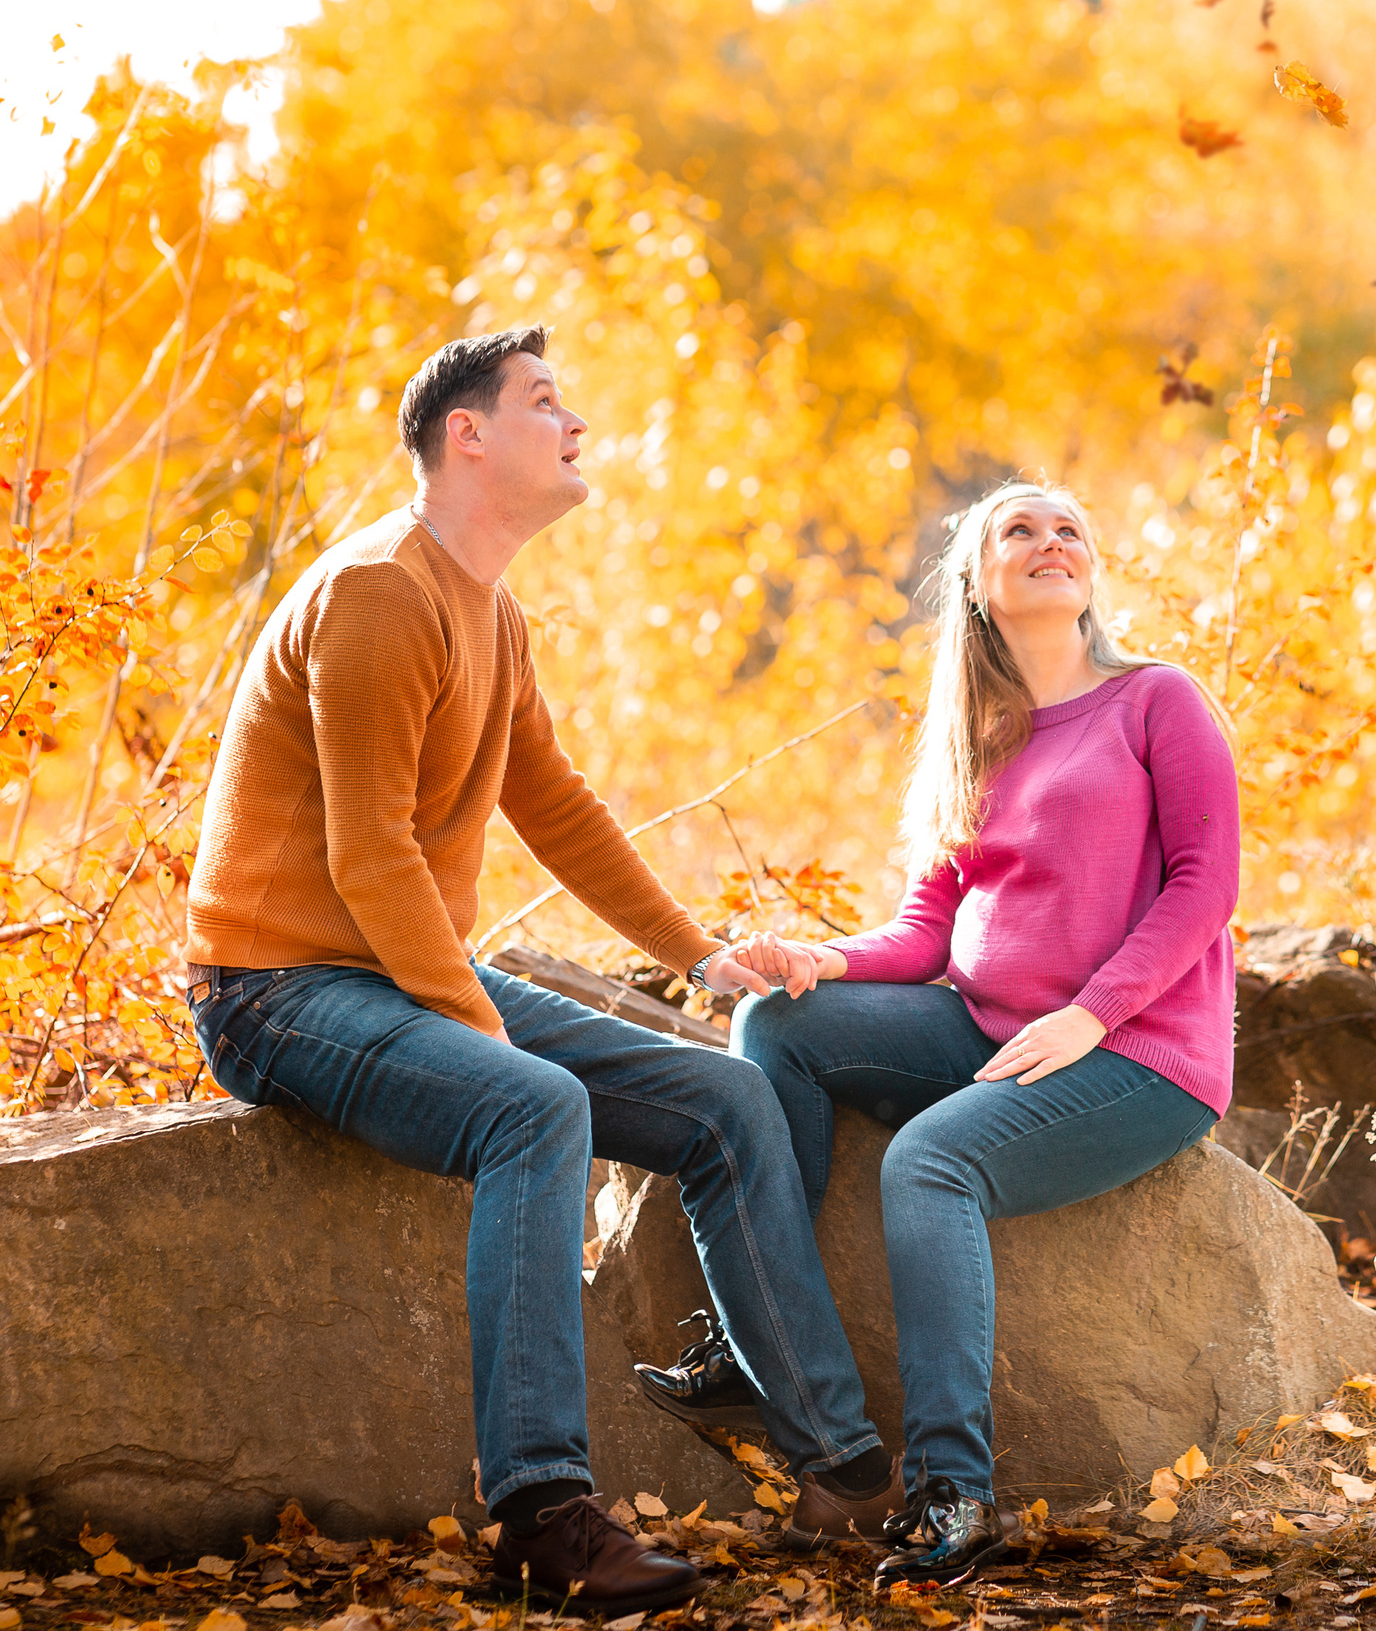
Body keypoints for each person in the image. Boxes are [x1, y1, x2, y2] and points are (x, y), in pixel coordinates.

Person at [182, 327, 902, 1611]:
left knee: (724, 1102)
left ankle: (842, 1465)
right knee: (534, 1104)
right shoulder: (376, 594)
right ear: (467, 434)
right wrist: (477, 1027)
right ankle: (542, 1516)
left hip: (396, 977)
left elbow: (554, 805)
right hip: (278, 991)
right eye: (546, 402)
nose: (578, 425)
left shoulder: (489, 611)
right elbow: (369, 856)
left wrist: (699, 955)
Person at [720, 484, 1239, 1588]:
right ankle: (766, 1340)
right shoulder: (976, 737)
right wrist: (828, 960)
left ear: (1091, 574)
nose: (1052, 542)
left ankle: (952, 1494)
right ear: (976, 579)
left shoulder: (1156, 701)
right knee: (773, 1023)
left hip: (1137, 1055)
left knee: (931, 1160)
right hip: (985, 1028)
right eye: (1021, 529)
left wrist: (1090, 1012)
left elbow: (1206, 886)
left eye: (1071, 530)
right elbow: (924, 932)